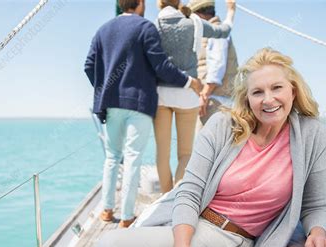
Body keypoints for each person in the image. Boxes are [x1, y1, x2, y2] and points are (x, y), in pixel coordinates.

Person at [89, 48, 326, 247]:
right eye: (257, 92)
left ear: (293, 90)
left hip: (229, 240)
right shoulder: (224, 125)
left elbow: (315, 204)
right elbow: (189, 191)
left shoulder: (313, 135)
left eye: (277, 87)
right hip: (185, 225)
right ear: (247, 98)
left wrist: (318, 233)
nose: (268, 100)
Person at [84, 0, 202, 228]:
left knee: (111, 157)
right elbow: (161, 66)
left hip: (110, 103)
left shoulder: (103, 29)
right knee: (132, 159)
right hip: (138, 104)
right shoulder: (145, 28)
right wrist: (189, 81)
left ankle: (107, 211)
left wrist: (104, 89)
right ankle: (127, 217)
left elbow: (89, 66)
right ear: (139, 4)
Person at [153, 0, 236, 193]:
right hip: (189, 94)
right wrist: (231, 12)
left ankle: (165, 197)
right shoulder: (196, 24)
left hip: (161, 96)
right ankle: (177, 198)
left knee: (162, 154)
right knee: (186, 154)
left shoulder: (153, 26)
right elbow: (223, 31)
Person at [189, 0, 239, 126]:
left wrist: (204, 95)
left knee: (205, 143)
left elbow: (217, 65)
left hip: (213, 102)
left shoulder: (215, 32)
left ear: (199, 16)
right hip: (215, 100)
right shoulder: (219, 29)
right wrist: (231, 10)